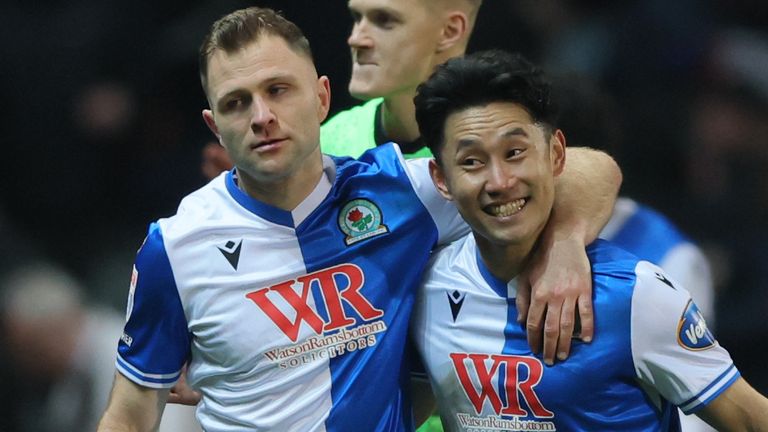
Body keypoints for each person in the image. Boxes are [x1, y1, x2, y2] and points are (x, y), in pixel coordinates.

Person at [97, 7, 621, 431]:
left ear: (321, 97)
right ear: (215, 125)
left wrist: (565, 243)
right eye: (237, 103)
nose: (262, 117)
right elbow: (129, 415)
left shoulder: (398, 191)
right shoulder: (177, 244)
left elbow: (589, 168)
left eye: (278, 90)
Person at [410, 49, 768, 431]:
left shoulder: (634, 295)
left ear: (557, 154)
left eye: (515, 153)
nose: (499, 182)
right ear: (442, 180)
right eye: (472, 162)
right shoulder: (426, 289)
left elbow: (749, 419)